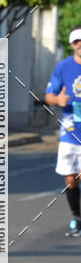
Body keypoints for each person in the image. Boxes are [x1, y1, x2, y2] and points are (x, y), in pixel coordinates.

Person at [45, 27, 81, 237]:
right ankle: (76, 215)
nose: (80, 44)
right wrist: (57, 100)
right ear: (71, 44)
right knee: (70, 177)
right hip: (69, 128)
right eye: (76, 41)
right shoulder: (63, 67)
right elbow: (49, 95)